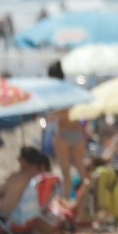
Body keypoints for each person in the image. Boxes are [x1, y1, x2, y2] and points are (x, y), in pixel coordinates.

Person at [47, 60, 88, 198]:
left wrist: (52, 115)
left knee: (65, 172)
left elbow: (61, 113)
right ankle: (89, 198)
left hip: (63, 133)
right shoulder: (71, 89)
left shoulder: (55, 91)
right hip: (77, 131)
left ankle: (66, 200)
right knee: (81, 169)